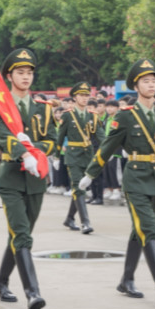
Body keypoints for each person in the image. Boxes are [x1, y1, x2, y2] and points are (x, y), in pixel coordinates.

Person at [79, 59, 155, 304]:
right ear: (136, 86)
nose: (151, 85)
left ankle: (126, 280)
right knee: (149, 230)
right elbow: (107, 146)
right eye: (146, 81)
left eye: (153, 81)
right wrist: (90, 174)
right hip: (135, 181)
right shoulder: (125, 117)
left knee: (139, 232)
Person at [0, 48, 56, 309]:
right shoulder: (0, 107)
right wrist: (22, 152)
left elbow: (52, 141)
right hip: (11, 179)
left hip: (36, 179)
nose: (26, 77)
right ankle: (33, 293)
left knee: (19, 234)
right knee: (22, 235)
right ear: (9, 76)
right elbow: (4, 136)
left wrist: (35, 149)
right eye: (20, 72)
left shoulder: (44, 109)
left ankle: (0, 281)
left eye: (29, 73)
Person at [56, 82, 104, 234]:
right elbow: (59, 137)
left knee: (80, 188)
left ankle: (70, 218)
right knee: (78, 186)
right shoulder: (67, 116)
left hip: (87, 155)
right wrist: (56, 156)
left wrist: (108, 151)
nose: (84, 98)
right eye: (81, 96)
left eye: (86, 95)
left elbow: (102, 137)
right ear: (75, 98)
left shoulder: (93, 117)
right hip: (73, 155)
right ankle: (86, 222)